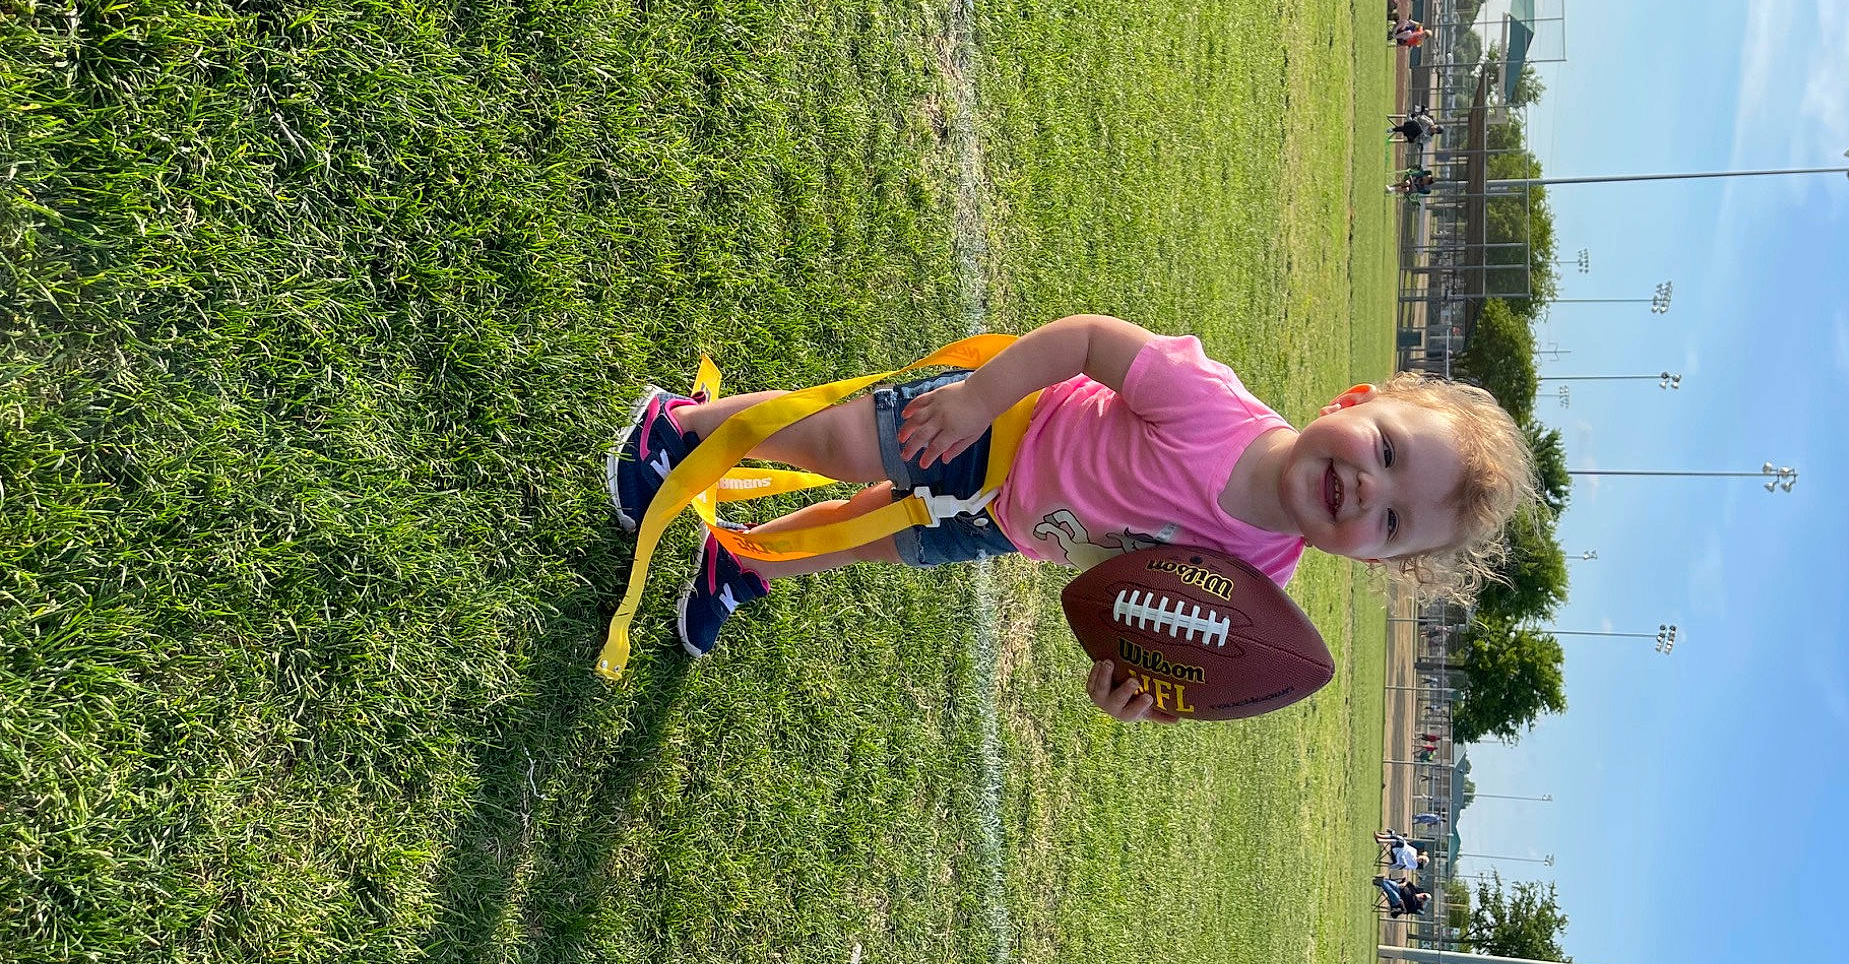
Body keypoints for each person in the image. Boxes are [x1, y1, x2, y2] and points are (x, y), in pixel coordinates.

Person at [608, 315, 1539, 717]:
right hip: (999, 429)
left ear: (1375, 561)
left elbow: (1166, 639)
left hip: (1011, 527)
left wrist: (1137, 689)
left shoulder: (1267, 587)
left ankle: (744, 560)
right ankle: (676, 431)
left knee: (871, 538)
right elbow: (1088, 340)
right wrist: (976, 398)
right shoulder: (1212, 405)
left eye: (1389, 523)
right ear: (1350, 401)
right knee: (842, 443)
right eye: (1384, 451)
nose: (1368, 491)